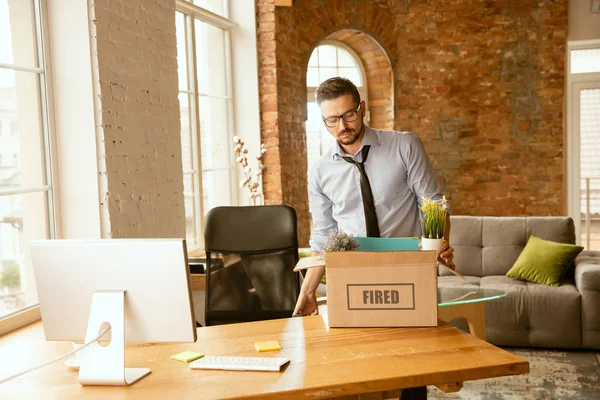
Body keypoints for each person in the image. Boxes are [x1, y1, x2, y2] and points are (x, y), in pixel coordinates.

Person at [294, 77, 454, 399]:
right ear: (323, 121)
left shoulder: (406, 145)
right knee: (360, 361)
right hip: (354, 274)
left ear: (362, 108)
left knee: (413, 362)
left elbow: (432, 203)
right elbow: (323, 236)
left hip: (409, 268)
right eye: (332, 119)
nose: (343, 125)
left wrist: (438, 244)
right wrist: (308, 290)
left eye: (349, 114)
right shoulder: (320, 171)